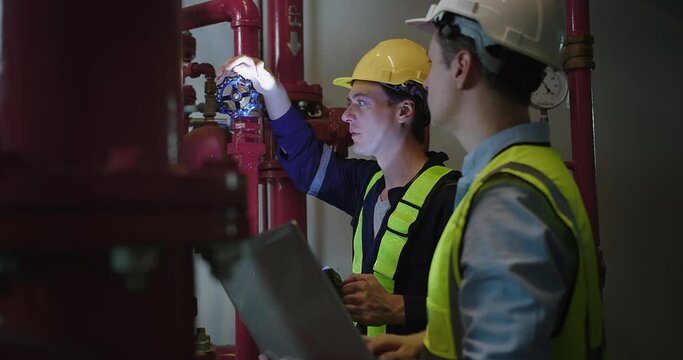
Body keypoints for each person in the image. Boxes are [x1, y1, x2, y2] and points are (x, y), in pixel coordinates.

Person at [366, 1, 606, 359]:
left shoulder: (508, 203)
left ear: (462, 67)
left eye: (432, 65)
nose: (427, 81)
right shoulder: (530, 170)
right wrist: (423, 347)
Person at [218, 39, 460, 336]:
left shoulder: (452, 198)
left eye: (361, 102)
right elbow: (306, 163)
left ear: (404, 111)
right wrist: (271, 89)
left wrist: (398, 307)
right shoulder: (367, 184)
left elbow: (483, 312)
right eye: (349, 103)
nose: (346, 115)